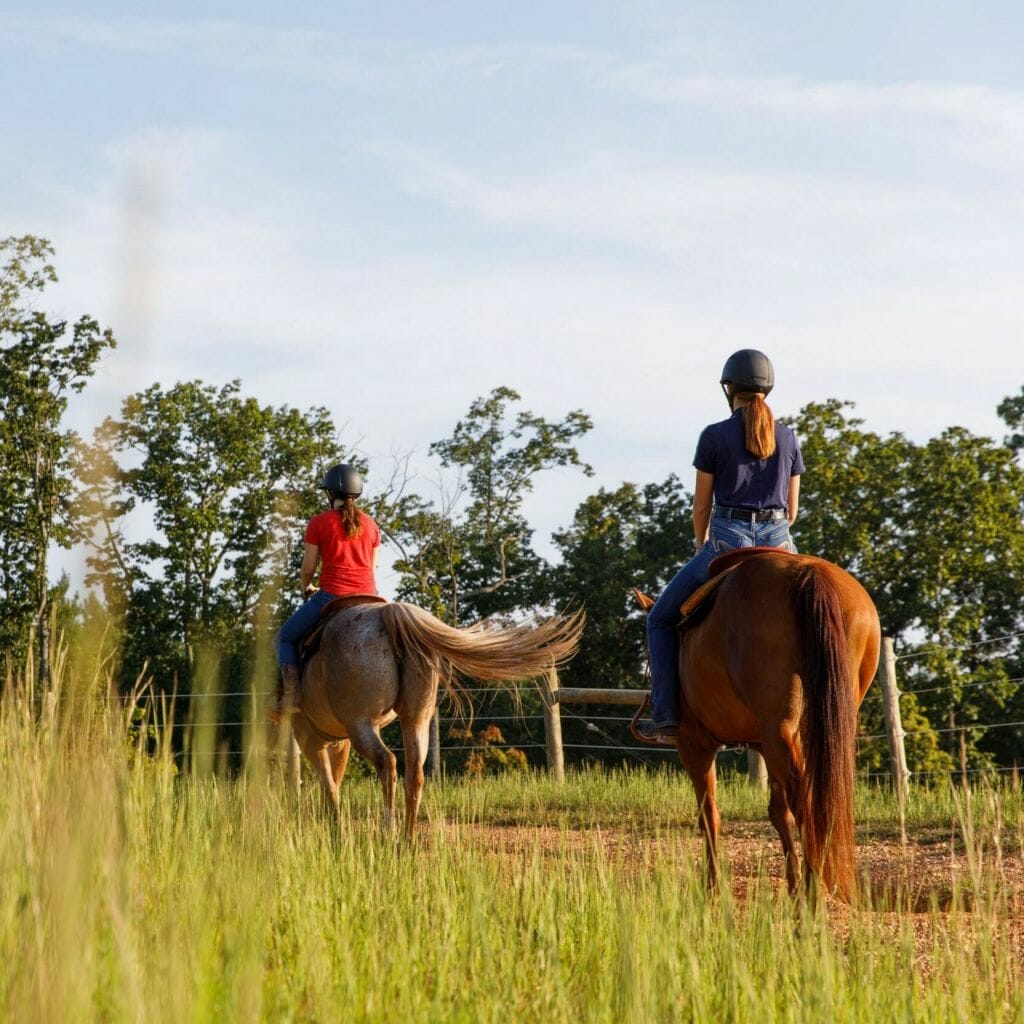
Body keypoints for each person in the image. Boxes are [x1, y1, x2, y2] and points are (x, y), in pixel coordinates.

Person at [638, 349, 805, 743]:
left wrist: (702, 544)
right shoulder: (788, 437)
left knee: (659, 619)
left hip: (726, 541)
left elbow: (702, 507)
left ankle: (666, 717)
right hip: (779, 543)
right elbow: (793, 510)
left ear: (729, 388)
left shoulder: (713, 436)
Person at [270, 463, 381, 721]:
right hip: (371, 598)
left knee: (284, 638)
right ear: (357, 493)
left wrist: (306, 586)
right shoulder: (372, 525)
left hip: (333, 595)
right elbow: (372, 568)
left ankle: (292, 695)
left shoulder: (319, 522)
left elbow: (308, 569)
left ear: (330, 493)